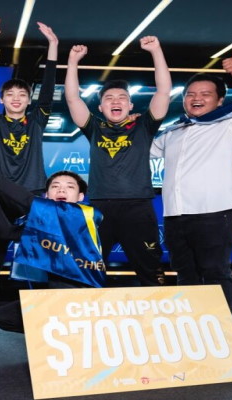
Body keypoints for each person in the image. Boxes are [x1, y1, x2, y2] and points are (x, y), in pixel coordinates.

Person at [150, 51, 232, 311]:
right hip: (175, 215)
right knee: (186, 275)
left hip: (215, 213)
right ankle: (193, 328)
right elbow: (141, 149)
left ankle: (221, 330)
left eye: (205, 94)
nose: (196, 98)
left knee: (215, 273)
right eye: (190, 94)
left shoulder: (231, 126)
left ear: (220, 101)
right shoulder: (173, 130)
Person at [64, 37, 171, 287]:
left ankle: (157, 309)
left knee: (150, 267)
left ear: (131, 105)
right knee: (89, 266)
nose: (115, 101)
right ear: (100, 107)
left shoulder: (144, 126)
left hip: (138, 206)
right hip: (100, 207)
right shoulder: (94, 127)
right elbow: (72, 98)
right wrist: (72, 61)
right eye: (109, 98)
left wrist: (156, 51)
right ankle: (87, 310)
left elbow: (164, 91)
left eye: (122, 97)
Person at [0, 18, 58, 334]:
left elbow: (47, 90)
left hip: (31, 197)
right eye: (9, 94)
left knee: (35, 257)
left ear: (28, 99)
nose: (15, 98)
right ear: (2, 100)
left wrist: (53, 47)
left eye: (21, 95)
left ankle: (36, 311)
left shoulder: (37, 120)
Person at [0, 150, 105, 333]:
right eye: (55, 186)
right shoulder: (44, 220)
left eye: (70, 187)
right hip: (50, 294)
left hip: (83, 295)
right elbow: (7, 232)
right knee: (2, 317)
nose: (61, 190)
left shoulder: (86, 214)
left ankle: (70, 332)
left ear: (80, 197)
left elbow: (26, 199)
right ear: (46, 196)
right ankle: (49, 336)